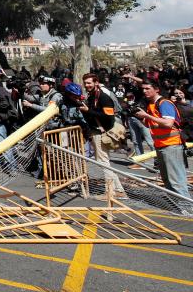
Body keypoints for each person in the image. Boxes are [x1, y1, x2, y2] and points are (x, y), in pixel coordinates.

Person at [134, 80, 192, 208]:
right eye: (143, 89)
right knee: (167, 181)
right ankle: (179, 207)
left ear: (156, 89)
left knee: (176, 181)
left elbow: (168, 123)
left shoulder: (164, 103)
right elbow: (151, 124)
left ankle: (188, 209)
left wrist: (147, 116)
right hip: (161, 146)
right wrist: (141, 117)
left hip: (171, 145)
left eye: (147, 88)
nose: (144, 91)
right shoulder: (151, 105)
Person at [80, 73, 126, 199]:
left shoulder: (103, 97)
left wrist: (88, 111)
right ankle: (118, 190)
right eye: (85, 83)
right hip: (96, 132)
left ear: (96, 82)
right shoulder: (92, 96)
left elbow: (108, 117)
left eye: (89, 83)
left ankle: (110, 192)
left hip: (101, 133)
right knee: (104, 161)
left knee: (103, 162)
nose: (87, 85)